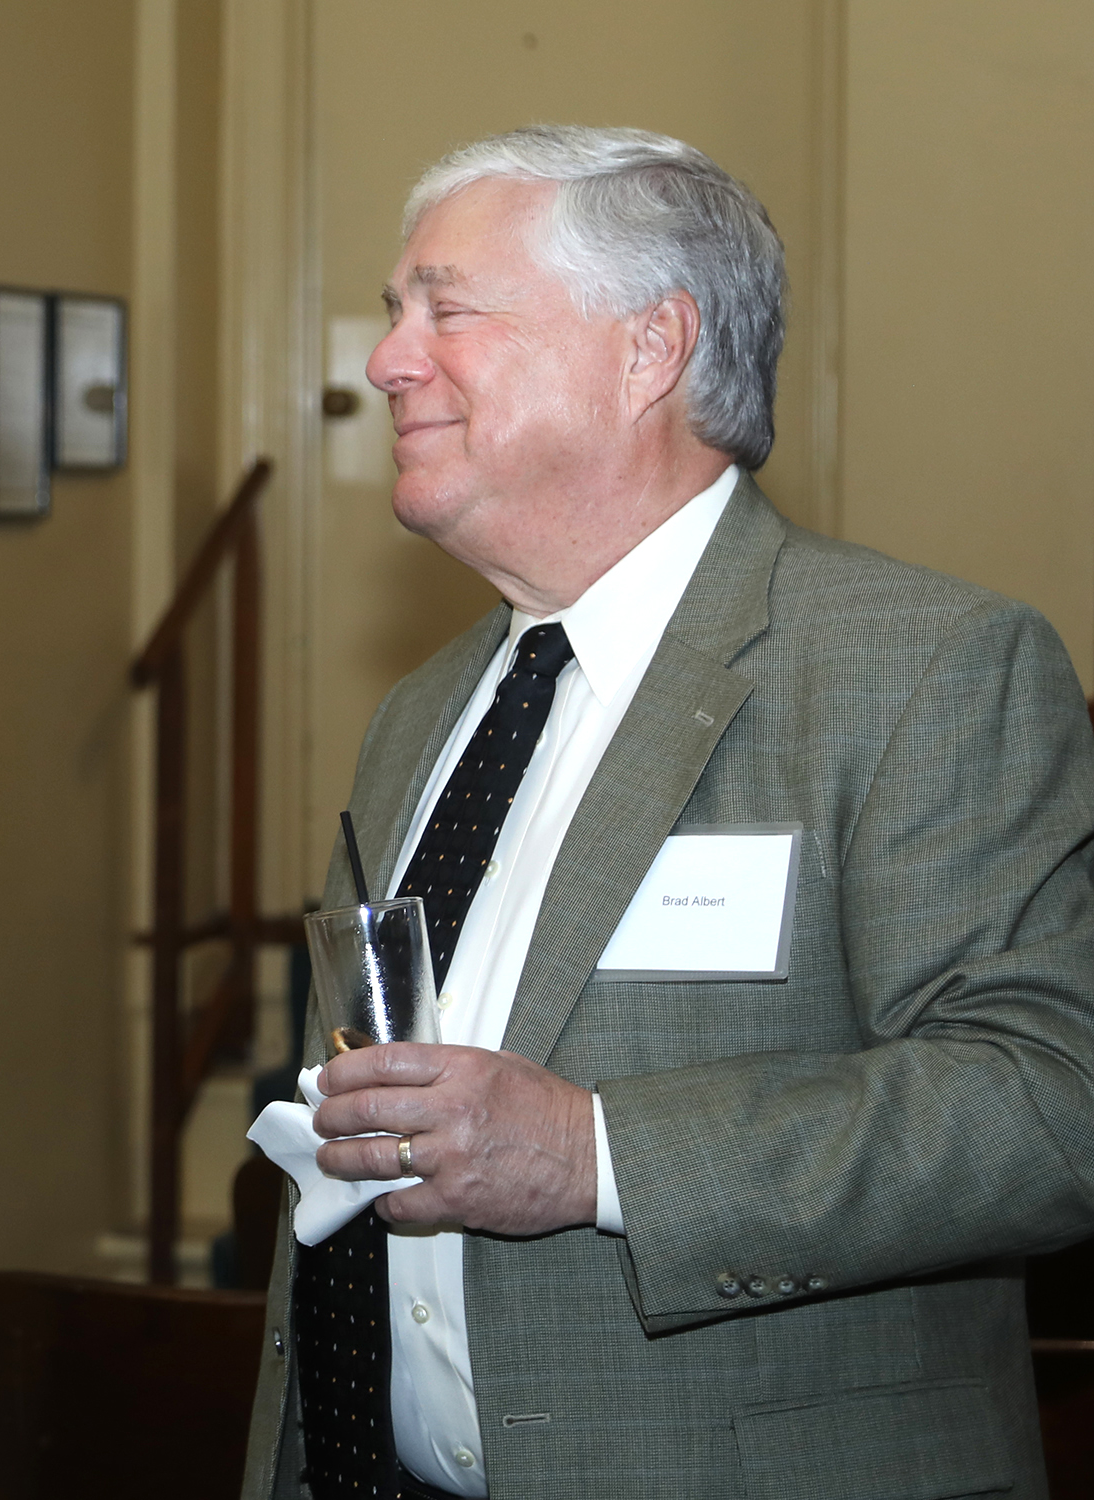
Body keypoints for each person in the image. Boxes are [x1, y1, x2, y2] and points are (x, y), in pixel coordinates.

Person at [243, 125, 1094, 1500]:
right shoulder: (422, 710)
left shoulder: (921, 668)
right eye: (394, 312)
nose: (387, 360)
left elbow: (1051, 1106)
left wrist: (593, 1156)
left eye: (445, 311)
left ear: (650, 349)